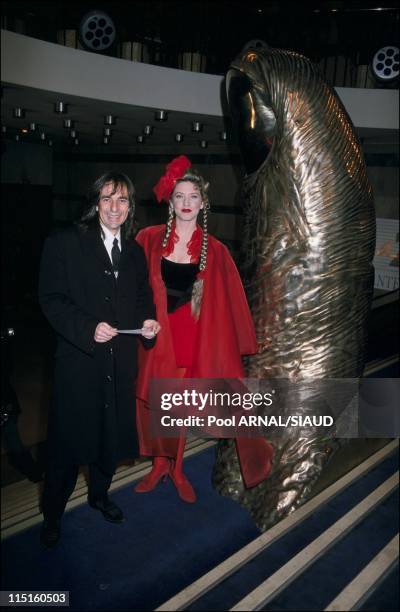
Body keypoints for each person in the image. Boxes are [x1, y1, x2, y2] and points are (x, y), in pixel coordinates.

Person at [134, 156, 273, 503]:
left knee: (178, 405)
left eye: (192, 196)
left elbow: (230, 302)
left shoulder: (217, 250)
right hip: (155, 337)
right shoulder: (148, 240)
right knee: (153, 404)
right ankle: (158, 464)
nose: (185, 203)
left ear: (203, 202)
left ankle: (177, 468)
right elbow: (129, 290)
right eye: (179, 196)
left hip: (192, 338)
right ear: (171, 201)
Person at [38, 172, 160, 547]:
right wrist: (88, 327)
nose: (114, 207)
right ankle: (52, 516)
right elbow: (51, 299)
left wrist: (148, 322)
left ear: (130, 208)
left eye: (122, 201)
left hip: (119, 365)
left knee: (108, 439)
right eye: (107, 198)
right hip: (79, 365)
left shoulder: (136, 251)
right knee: (67, 449)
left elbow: (143, 299)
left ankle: (99, 497)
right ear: (95, 202)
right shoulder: (64, 243)